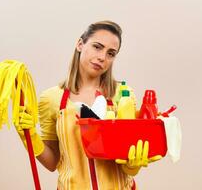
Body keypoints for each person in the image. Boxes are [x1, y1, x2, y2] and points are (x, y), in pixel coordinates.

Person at [16, 20, 162, 190]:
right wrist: (29, 136)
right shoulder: (51, 98)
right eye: (97, 47)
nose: (102, 57)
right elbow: (52, 162)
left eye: (111, 53)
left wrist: (132, 166)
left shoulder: (122, 96)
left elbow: (127, 157)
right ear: (80, 44)